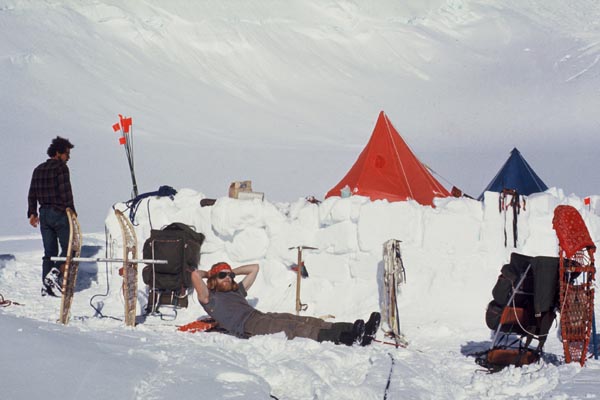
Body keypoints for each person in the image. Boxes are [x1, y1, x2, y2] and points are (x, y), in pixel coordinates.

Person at [191, 262, 381, 346]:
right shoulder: (211, 299)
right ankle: (345, 337)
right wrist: (209, 273)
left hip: (260, 315)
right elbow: (194, 275)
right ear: (214, 279)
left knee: (303, 319)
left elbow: (254, 269)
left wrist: (230, 270)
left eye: (230, 275)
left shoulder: (236, 290)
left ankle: (359, 329)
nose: (228, 278)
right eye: (222, 276)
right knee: (292, 327)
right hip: (248, 326)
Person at [27, 136, 75, 297]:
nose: (68, 157)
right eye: (66, 154)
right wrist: (71, 210)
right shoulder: (61, 168)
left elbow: (32, 193)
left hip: (44, 214)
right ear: (57, 153)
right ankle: (55, 274)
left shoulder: (38, 169)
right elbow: (65, 191)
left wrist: (32, 213)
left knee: (50, 252)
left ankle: (46, 287)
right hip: (60, 213)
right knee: (70, 247)